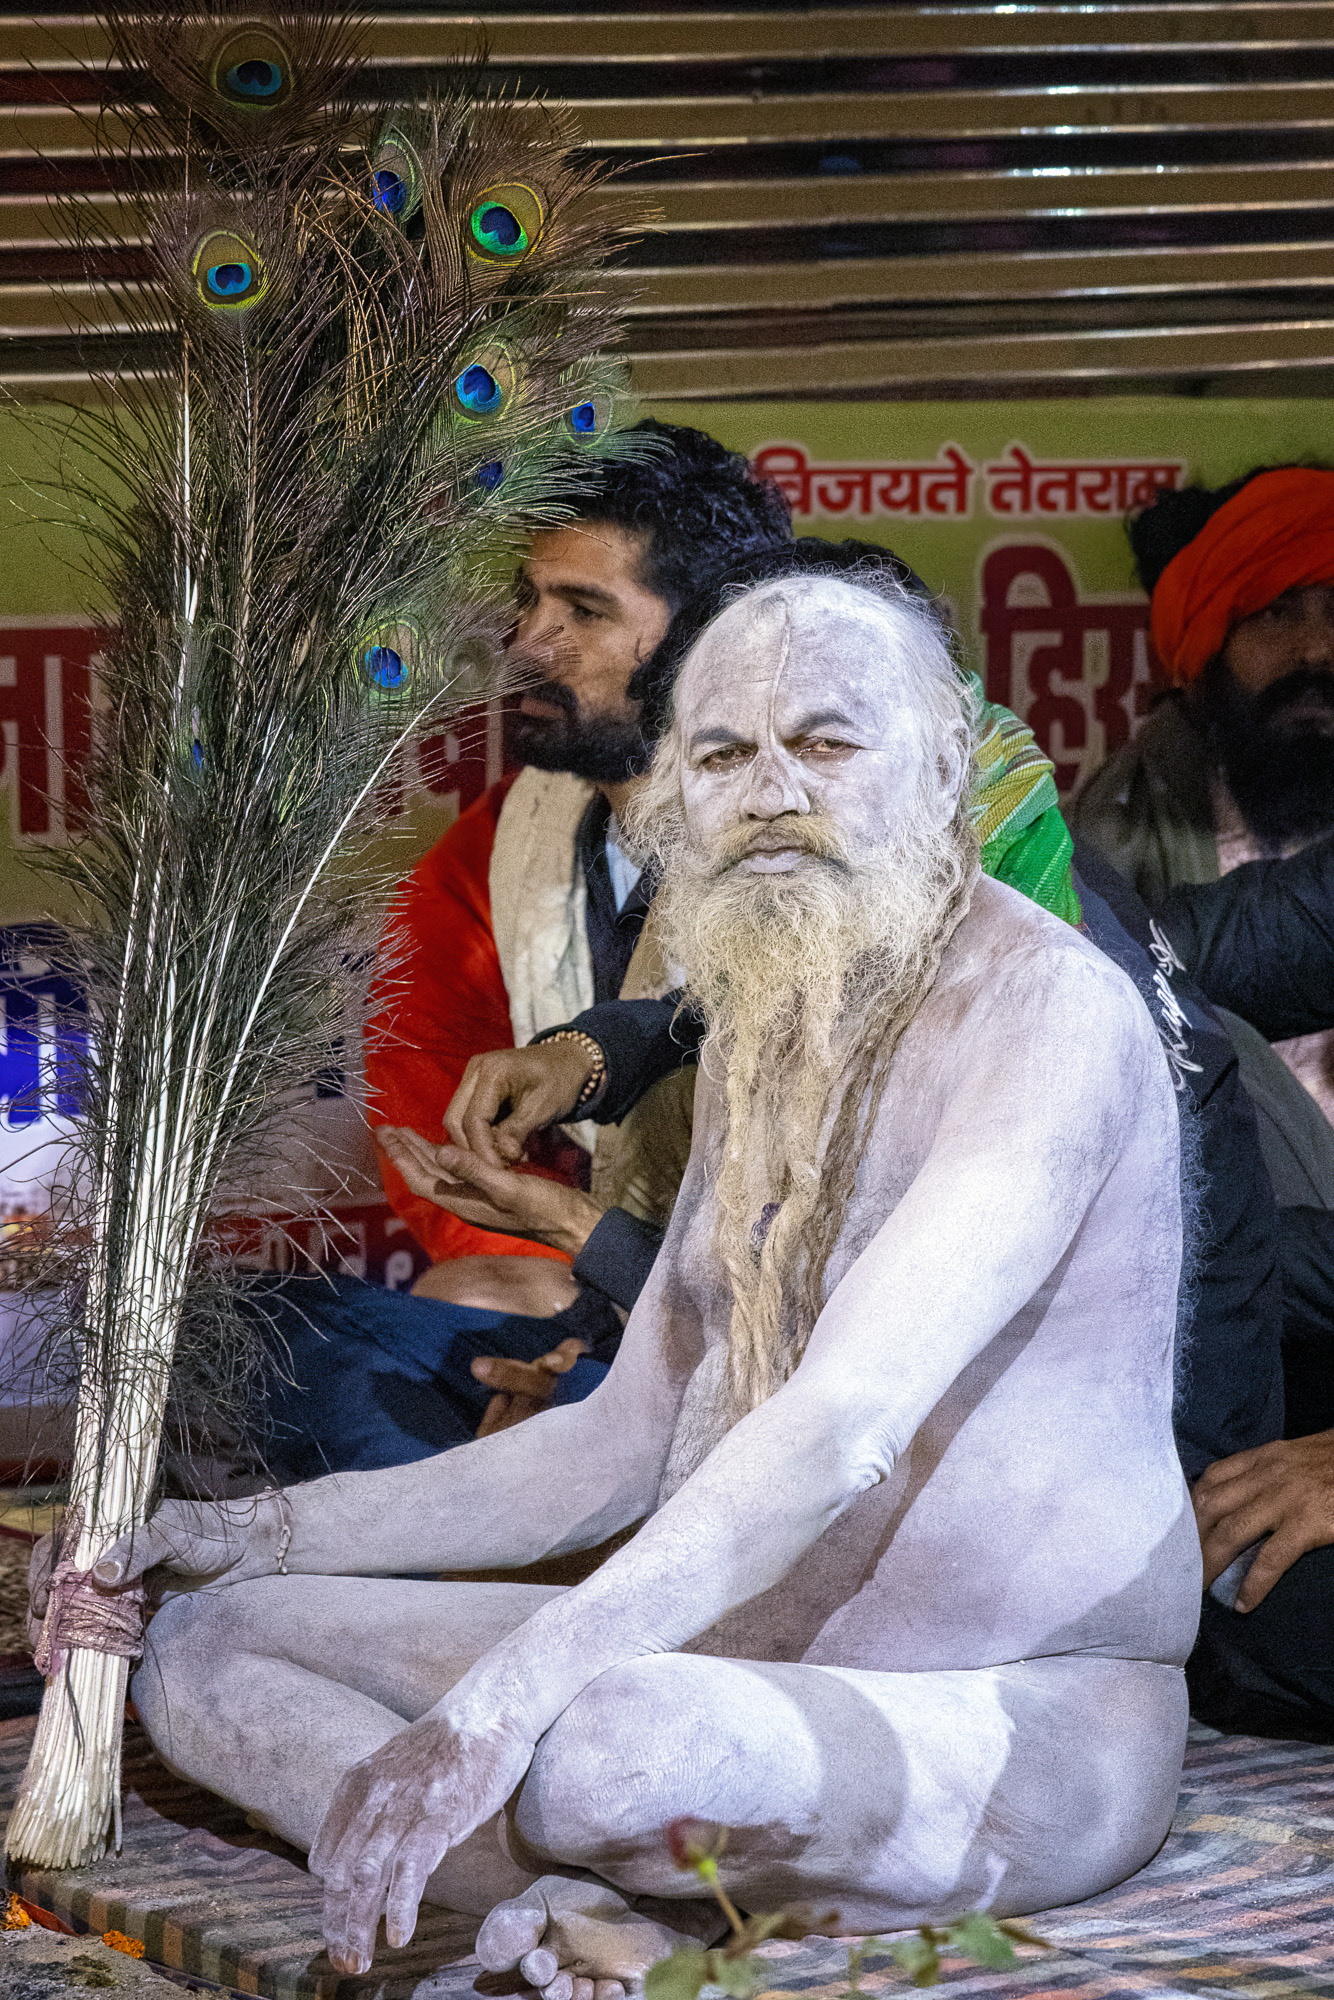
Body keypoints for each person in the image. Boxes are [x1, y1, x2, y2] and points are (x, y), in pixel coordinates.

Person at [91, 570, 1198, 1989]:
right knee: (204, 1650)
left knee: (604, 1753)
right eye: (724, 755)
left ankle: (559, 1865)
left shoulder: (1046, 1012)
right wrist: (249, 1532)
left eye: (826, 743)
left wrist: (501, 1705)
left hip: (1015, 1709)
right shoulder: (764, 1019)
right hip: (730, 1675)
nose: (772, 792)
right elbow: (620, 1444)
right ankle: (574, 1906)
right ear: (673, 798)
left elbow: (842, 1423)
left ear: (940, 774)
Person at [365, 418, 791, 1321]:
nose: (526, 643)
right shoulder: (498, 846)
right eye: (529, 601)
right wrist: (569, 1279)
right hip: (585, 1278)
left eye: (585, 612)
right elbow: (424, 1084)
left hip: (795, 1308)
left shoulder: (816, 857)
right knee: (438, 1313)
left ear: (711, 639)